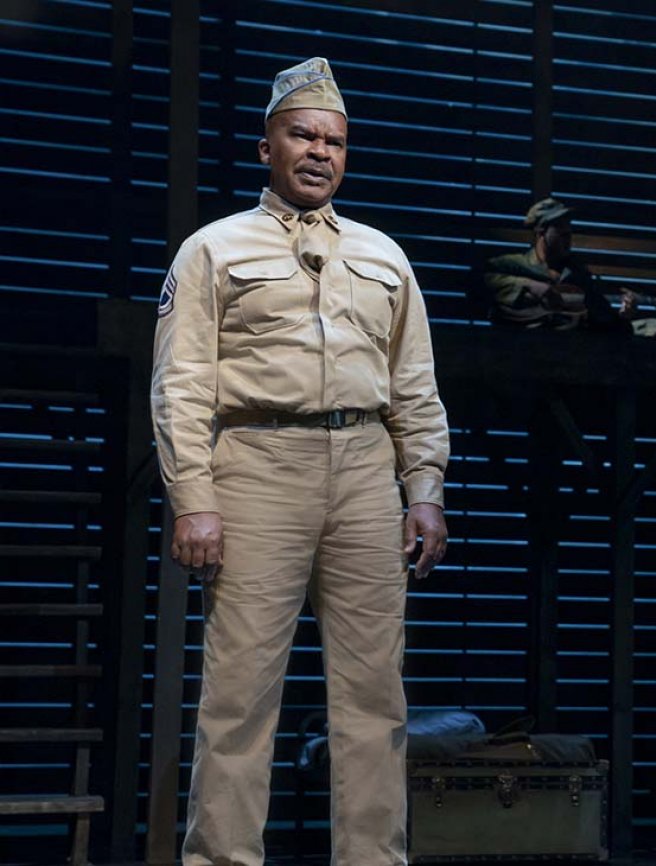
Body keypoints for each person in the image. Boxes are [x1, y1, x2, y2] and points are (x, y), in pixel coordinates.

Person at [151, 57, 450, 866]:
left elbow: (414, 385)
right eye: (303, 136)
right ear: (266, 148)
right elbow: (180, 384)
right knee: (240, 697)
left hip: (362, 468)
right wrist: (194, 498)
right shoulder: (212, 250)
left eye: (334, 141)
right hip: (256, 464)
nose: (320, 152)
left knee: (375, 699)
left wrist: (423, 490)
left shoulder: (384, 256)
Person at [482, 198, 631, 332]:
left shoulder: (577, 273)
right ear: (541, 231)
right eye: (561, 233)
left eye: (569, 233)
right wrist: (531, 286)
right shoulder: (515, 265)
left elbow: (602, 316)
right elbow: (480, 279)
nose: (568, 238)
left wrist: (623, 316)